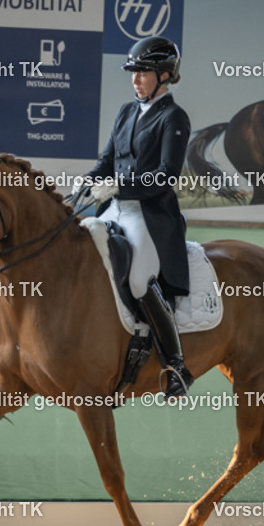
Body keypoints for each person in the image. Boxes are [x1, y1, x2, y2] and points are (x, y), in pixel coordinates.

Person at [84, 36, 193, 400]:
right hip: (114, 207)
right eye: (133, 72)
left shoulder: (174, 117)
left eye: (143, 72)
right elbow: (105, 162)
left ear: (165, 76)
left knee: (138, 280)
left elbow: (166, 175)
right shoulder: (126, 112)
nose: (135, 79)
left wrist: (118, 186)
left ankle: (175, 365)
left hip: (147, 214)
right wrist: (86, 185)